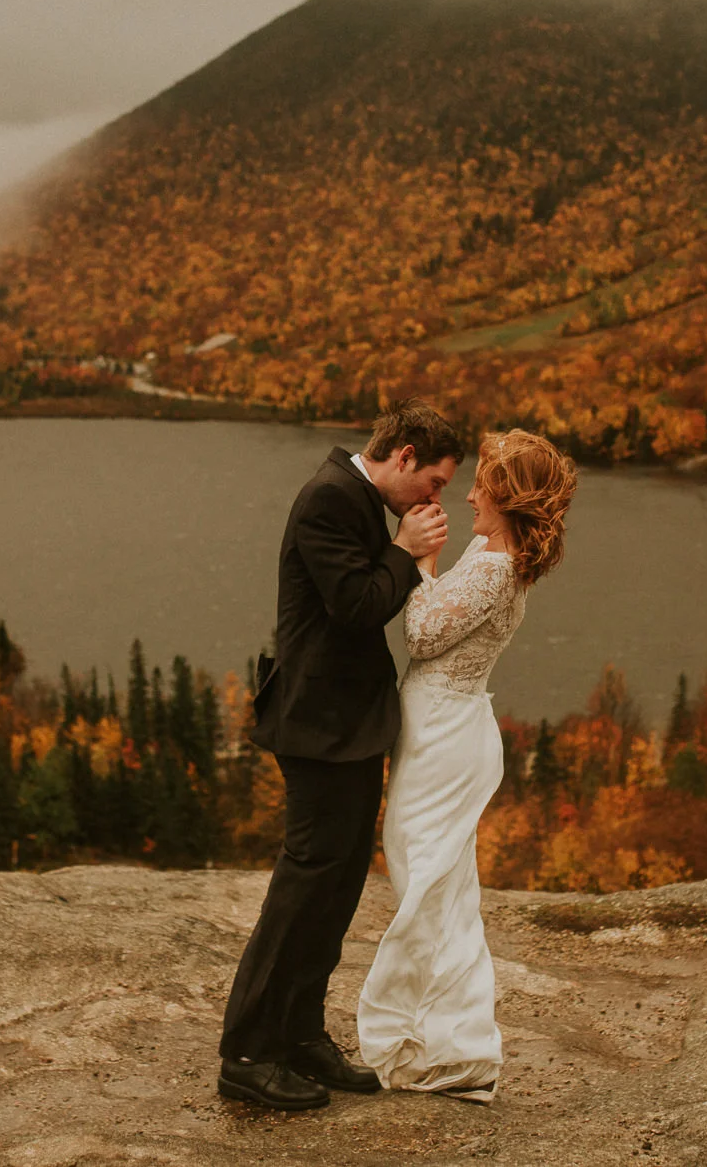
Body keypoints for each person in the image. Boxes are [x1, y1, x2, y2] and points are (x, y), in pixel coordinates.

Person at [217, 399, 465, 1112]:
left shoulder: (356, 498)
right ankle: (246, 1050)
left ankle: (298, 1034)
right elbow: (356, 604)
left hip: (347, 727)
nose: (434, 497)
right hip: (316, 728)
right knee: (304, 887)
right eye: (436, 482)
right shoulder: (330, 497)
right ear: (406, 456)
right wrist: (409, 552)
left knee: (337, 886)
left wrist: (402, 551)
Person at [357, 429, 577, 1104]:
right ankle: (446, 1041)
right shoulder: (494, 551)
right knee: (440, 888)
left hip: (446, 736)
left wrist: (418, 559)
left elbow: (422, 634)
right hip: (448, 729)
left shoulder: (493, 564)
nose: (471, 491)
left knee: (430, 887)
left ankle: (447, 1050)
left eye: (484, 482)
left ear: (508, 497)